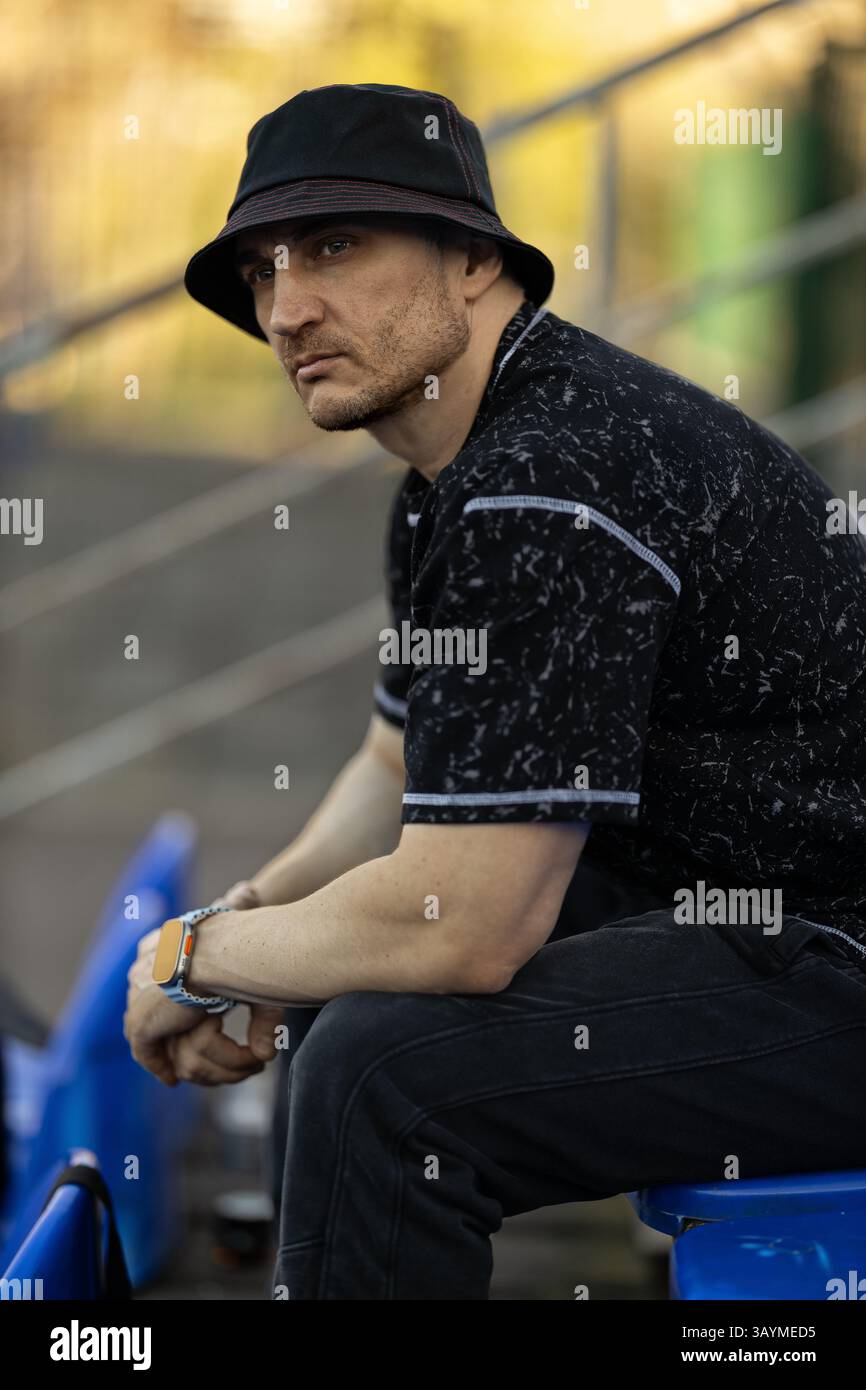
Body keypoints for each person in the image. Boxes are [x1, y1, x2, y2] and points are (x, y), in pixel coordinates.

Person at [124, 83, 866, 1300]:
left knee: (381, 1065)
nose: (287, 307)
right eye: (261, 270)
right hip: (742, 907)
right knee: (344, 987)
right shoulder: (456, 468)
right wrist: (254, 928)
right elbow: (395, 763)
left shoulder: (548, 476)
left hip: (833, 947)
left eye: (335, 246)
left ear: (472, 259)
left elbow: (464, 923)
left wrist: (195, 955)